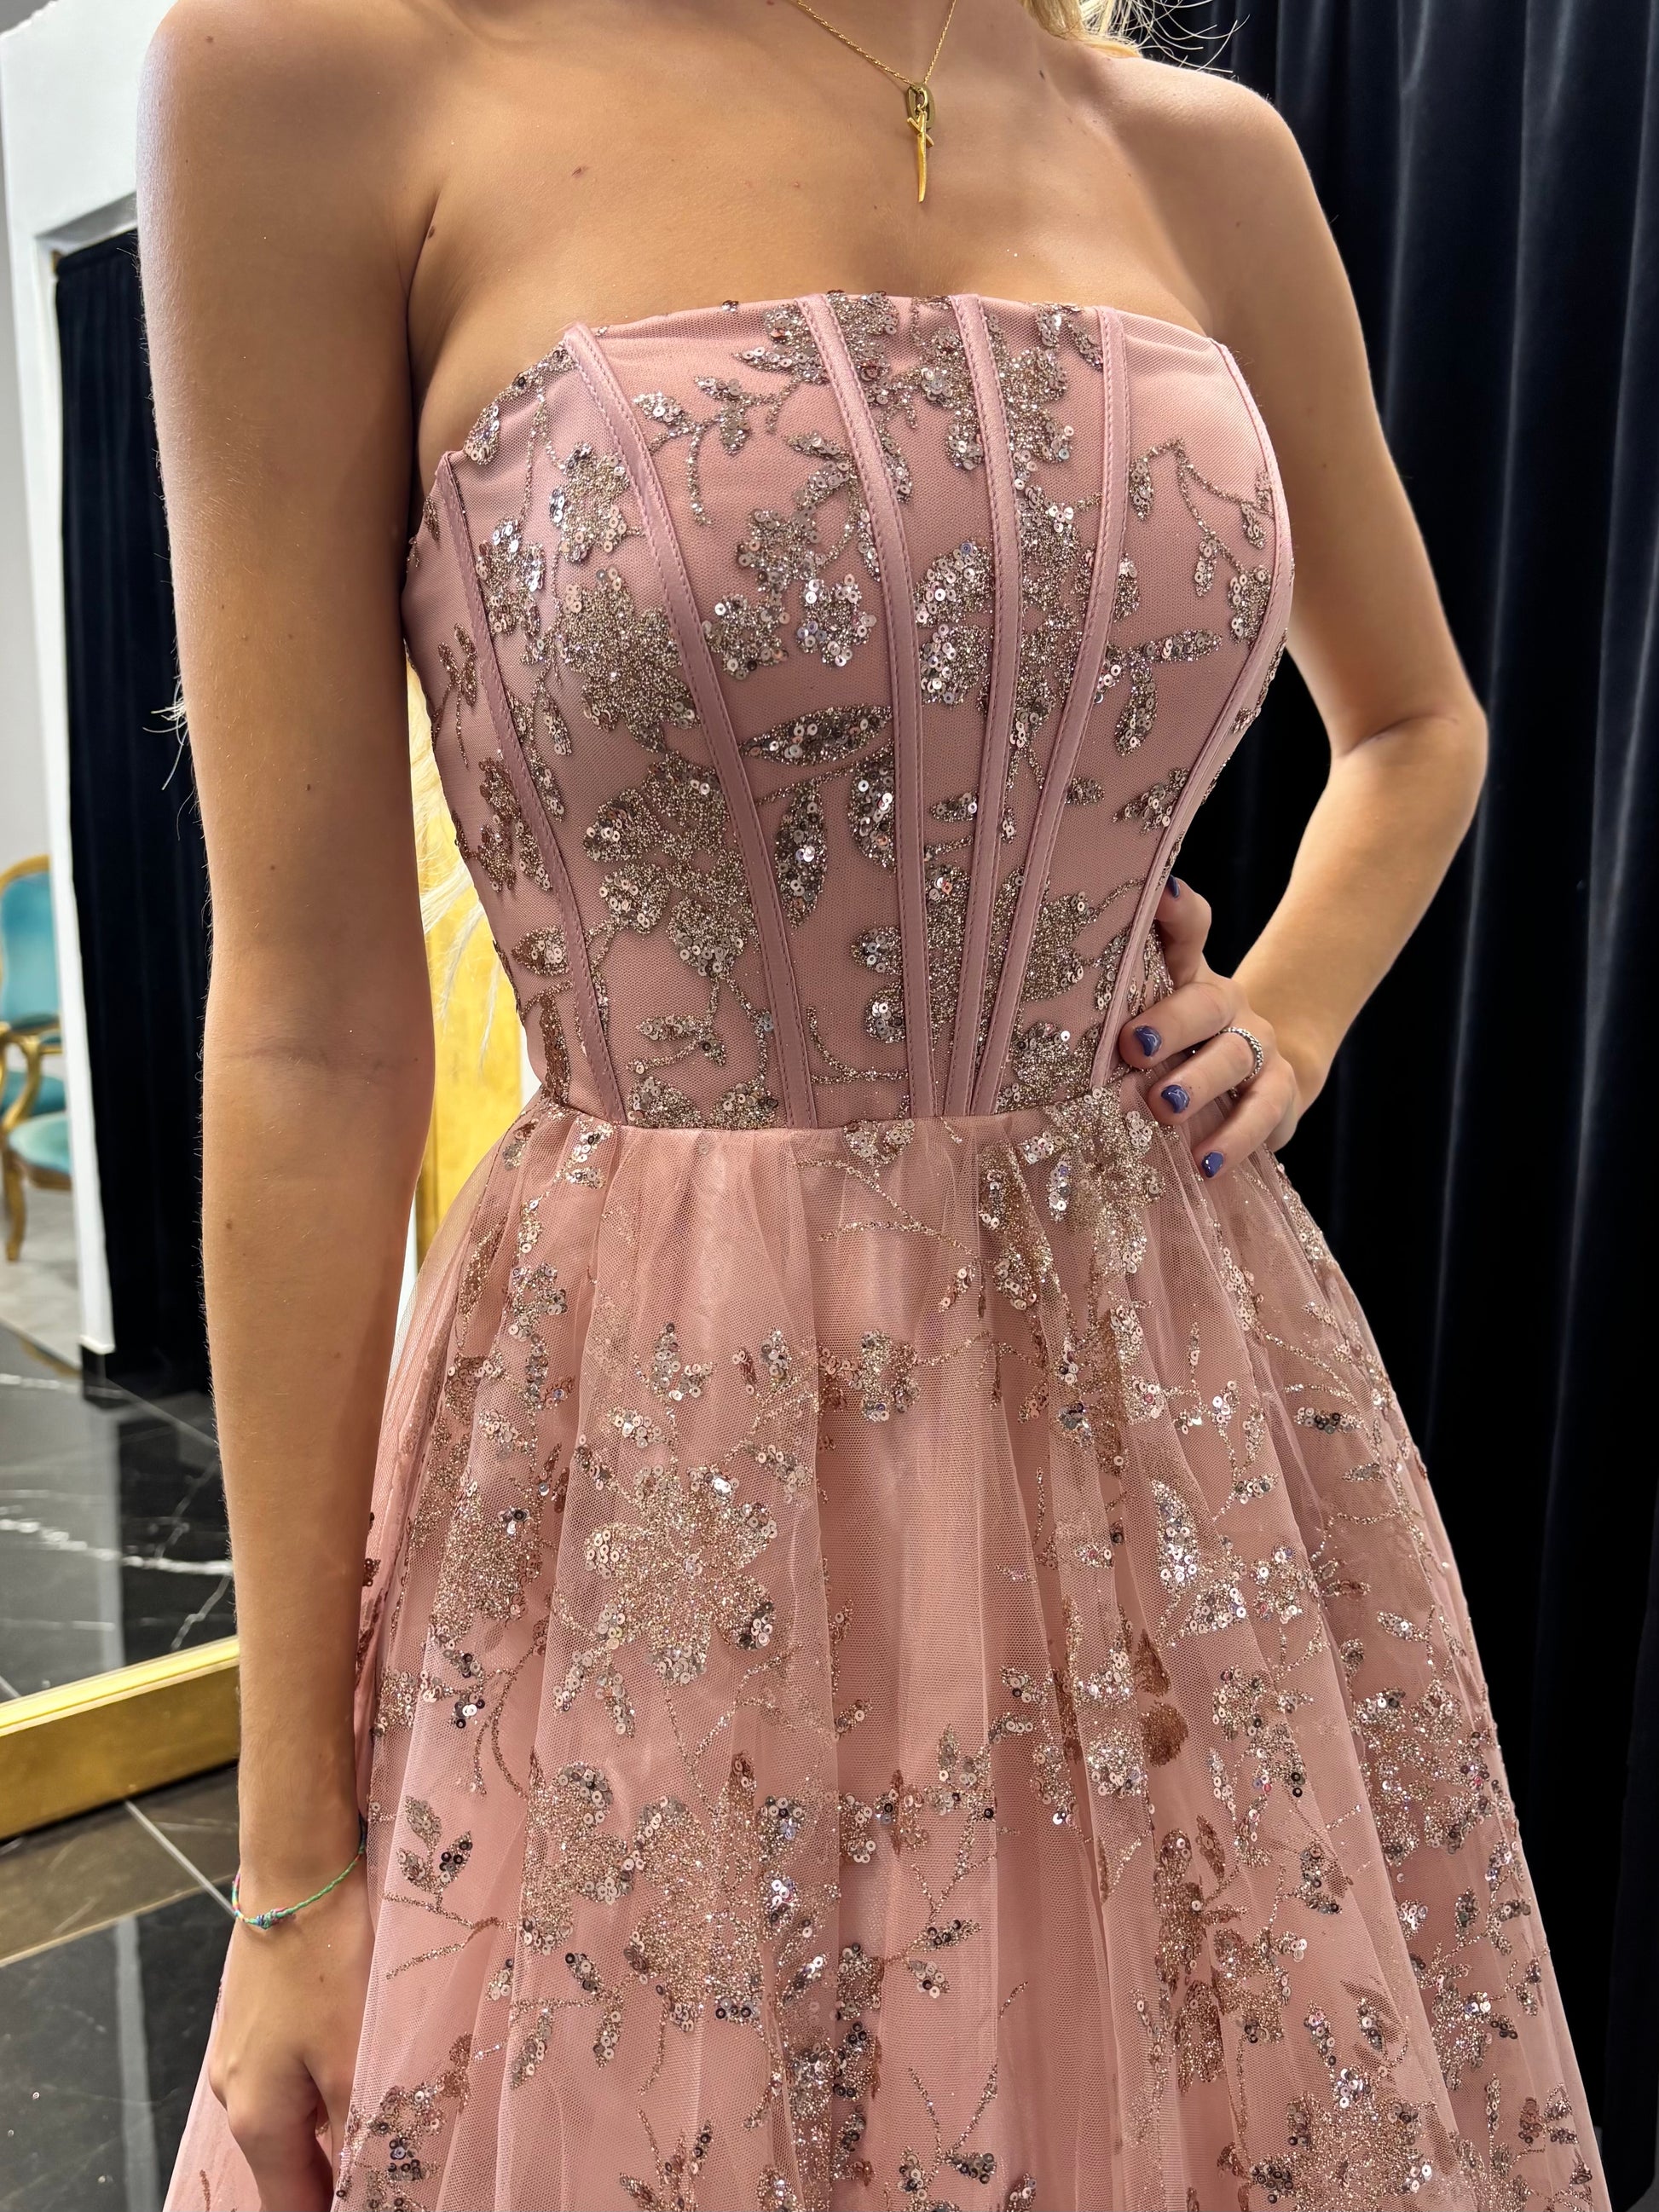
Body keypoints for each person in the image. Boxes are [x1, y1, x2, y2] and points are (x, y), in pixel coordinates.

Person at [139, 0, 1606, 2205]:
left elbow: (1418, 723)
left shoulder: (1196, 155)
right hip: (650, 1431)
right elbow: (311, 1028)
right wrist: (289, 1871)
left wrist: (1289, 1013)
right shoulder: (329, 74)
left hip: (1162, 1405)